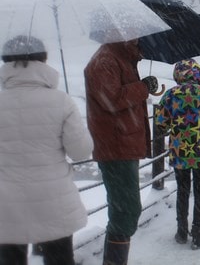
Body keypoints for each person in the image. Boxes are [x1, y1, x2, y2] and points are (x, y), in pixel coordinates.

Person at [0, 36, 93, 265]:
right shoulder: (61, 101)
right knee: (59, 259)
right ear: (43, 60)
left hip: (7, 204)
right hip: (54, 202)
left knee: (10, 260)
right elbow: (81, 152)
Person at [84, 39, 159, 265]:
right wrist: (144, 87)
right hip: (116, 145)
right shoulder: (105, 60)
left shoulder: (121, 58)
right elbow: (112, 99)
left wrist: (143, 85)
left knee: (126, 211)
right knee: (125, 212)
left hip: (123, 144)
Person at [155, 59, 200, 250]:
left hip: (180, 151)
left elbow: (160, 123)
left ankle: (181, 231)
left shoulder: (170, 95)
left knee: (183, 190)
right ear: (197, 73)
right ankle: (198, 233)